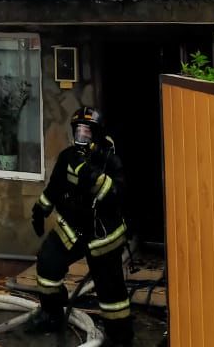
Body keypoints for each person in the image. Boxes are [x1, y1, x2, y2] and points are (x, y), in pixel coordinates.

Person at [30, 106, 132, 346]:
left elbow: (116, 196)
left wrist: (91, 176)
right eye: (78, 131)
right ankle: (52, 314)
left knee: (111, 293)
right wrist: (40, 210)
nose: (81, 136)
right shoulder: (68, 157)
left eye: (87, 131)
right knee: (47, 262)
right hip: (72, 229)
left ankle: (120, 337)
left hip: (102, 236)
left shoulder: (110, 160)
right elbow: (54, 188)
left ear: (97, 134)